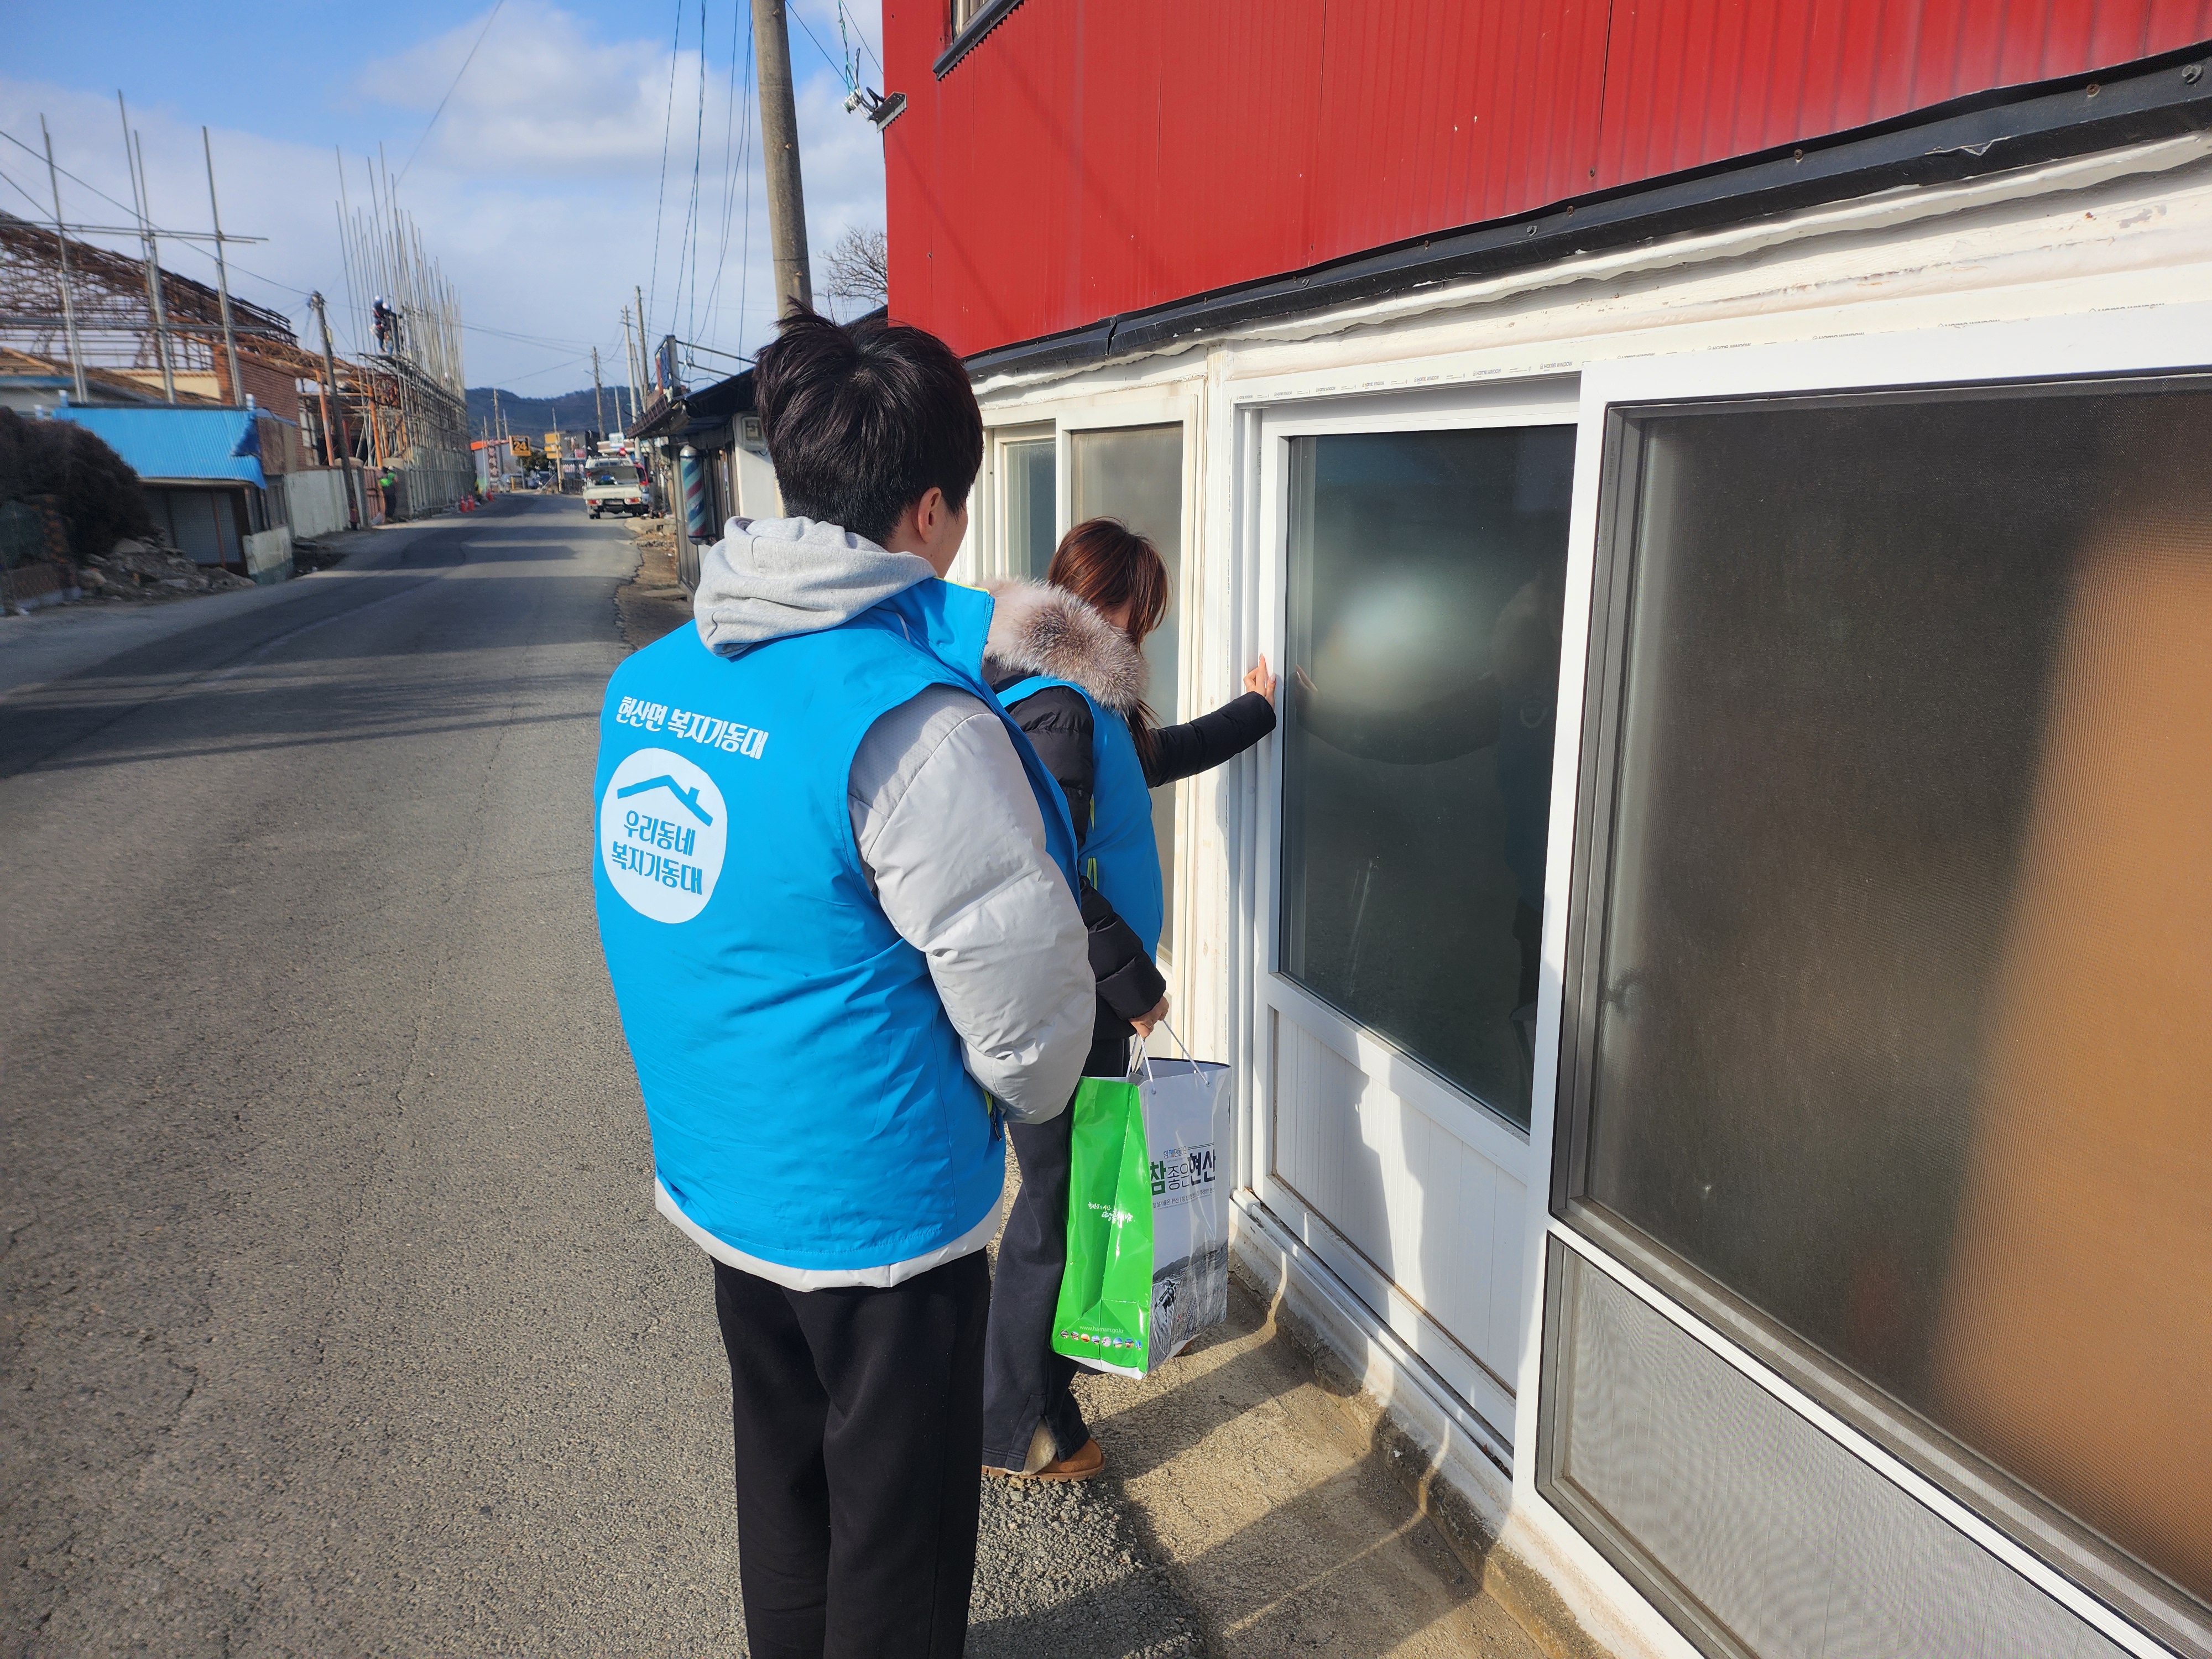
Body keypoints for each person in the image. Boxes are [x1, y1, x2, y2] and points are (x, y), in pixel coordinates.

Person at [591, 310, 1095, 1659]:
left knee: (786, 1482)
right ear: (927, 510)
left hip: (726, 1181)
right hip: (880, 1218)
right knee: (896, 1539)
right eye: (961, 508)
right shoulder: (916, 728)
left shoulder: (652, 683)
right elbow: (1030, 1026)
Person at [976, 517, 1277, 1481]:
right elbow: (1045, 874)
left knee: (1069, 1200)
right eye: (1140, 613)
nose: (1143, 632)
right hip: (1074, 1001)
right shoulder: (1060, 709)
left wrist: (1258, 711)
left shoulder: (1076, 703)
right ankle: (1017, 1424)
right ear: (1107, 606)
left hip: (1077, 998)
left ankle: (1030, 1402)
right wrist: (1135, 986)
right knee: (1058, 1208)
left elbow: (1163, 754)